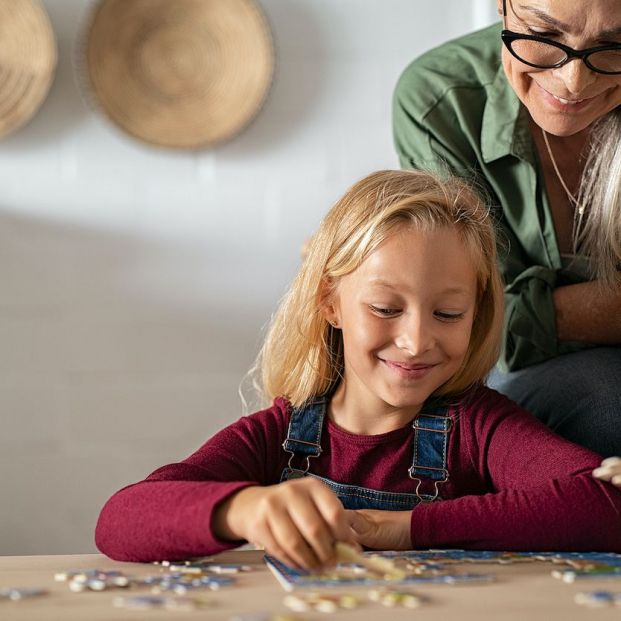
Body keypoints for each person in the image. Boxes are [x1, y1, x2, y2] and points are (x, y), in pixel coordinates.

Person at [96, 170, 621, 567]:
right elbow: (119, 520)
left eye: (448, 314)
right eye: (386, 309)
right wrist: (243, 510)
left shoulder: (479, 428)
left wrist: (406, 528)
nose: (416, 341)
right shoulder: (280, 433)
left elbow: (607, 505)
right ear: (330, 303)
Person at [393, 0, 621, 457]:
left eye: (614, 46)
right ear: (501, 6)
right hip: (510, 369)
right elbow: (476, 319)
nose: (573, 81)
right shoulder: (442, 99)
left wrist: (552, 312)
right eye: (543, 35)